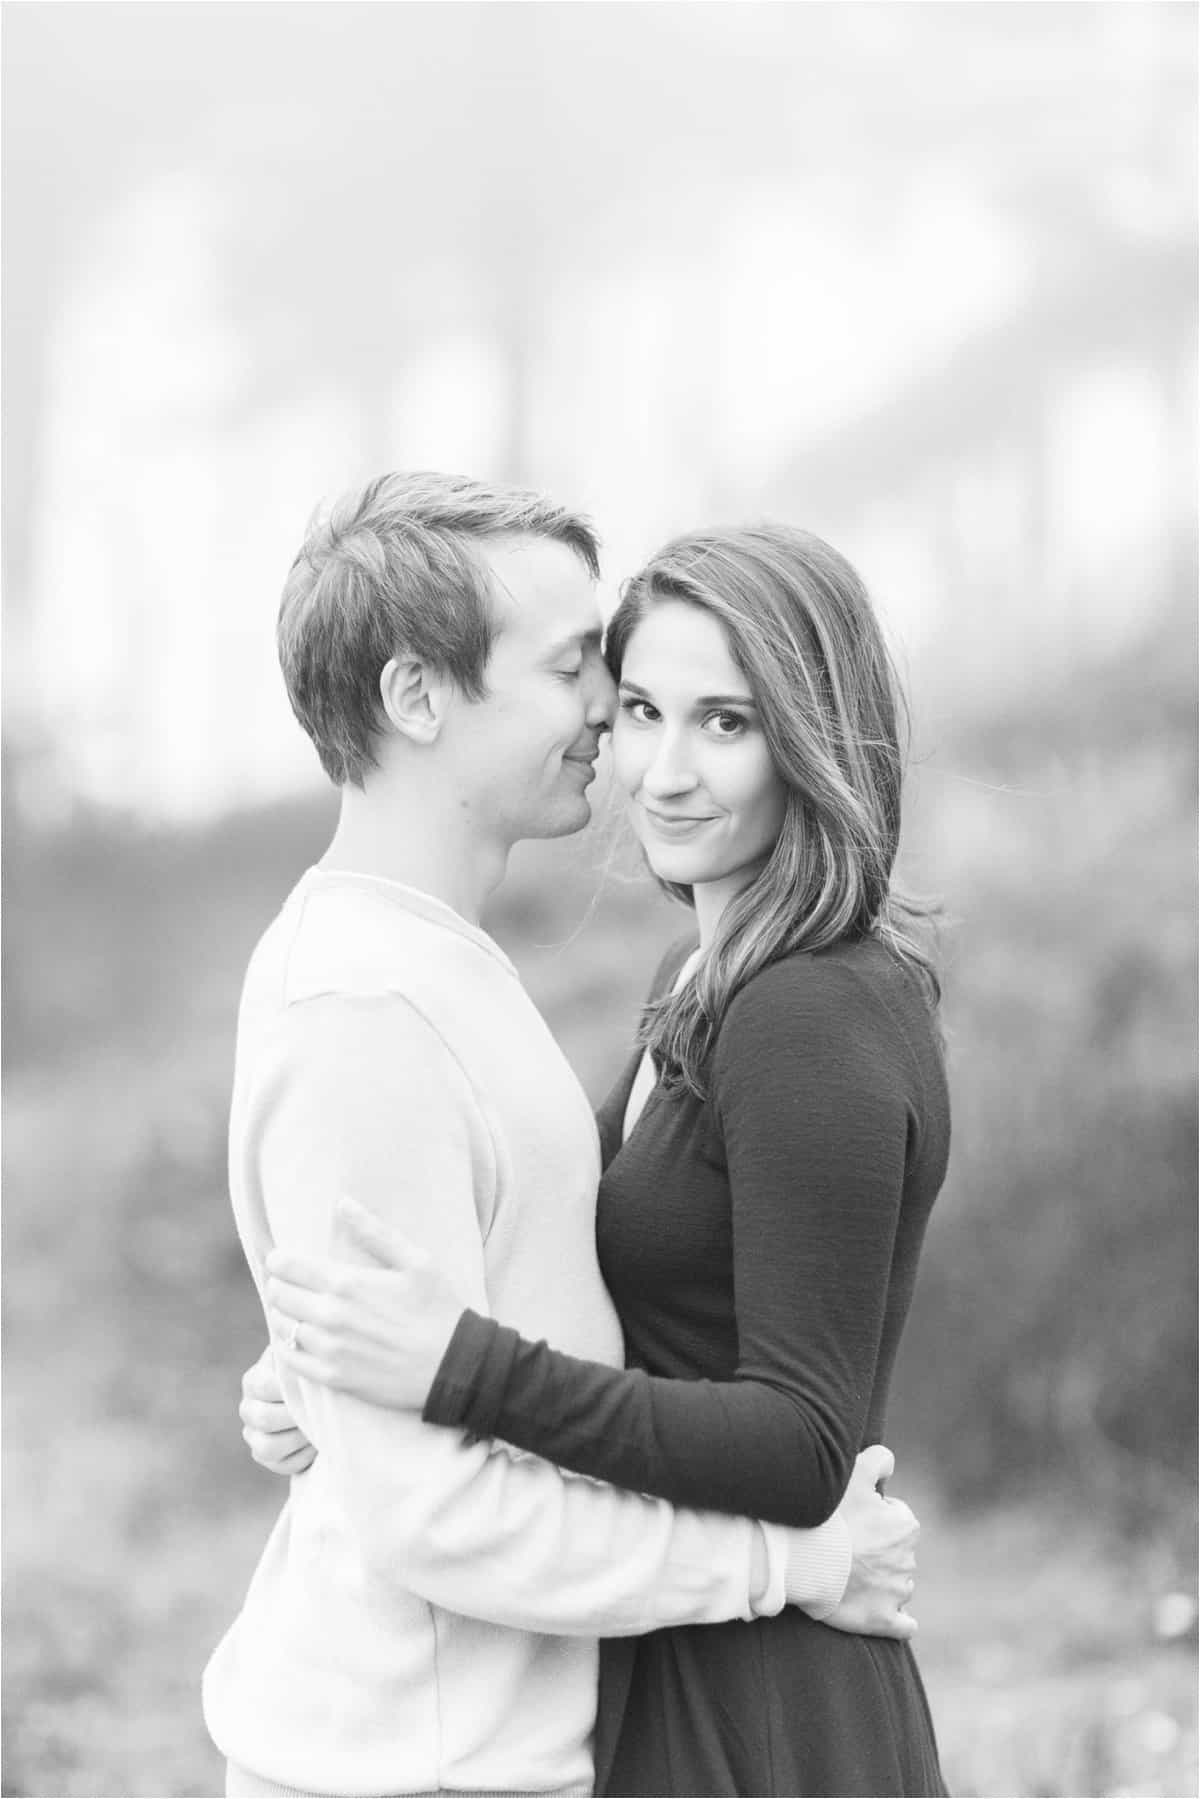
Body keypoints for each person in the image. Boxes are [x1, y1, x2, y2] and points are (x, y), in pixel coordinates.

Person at [204, 474, 922, 1799]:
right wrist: (775, 1564)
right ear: (420, 698)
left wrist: (381, 1376)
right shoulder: (370, 996)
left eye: (720, 718)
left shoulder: (460, 968)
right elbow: (431, 1502)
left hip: (577, 1716)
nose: (615, 720)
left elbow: (510, 1302)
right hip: (419, 1757)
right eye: (587, 673)